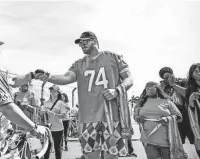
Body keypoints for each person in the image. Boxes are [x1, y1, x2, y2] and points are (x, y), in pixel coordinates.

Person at [35, 31, 133, 159]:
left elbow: (129, 79)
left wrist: (117, 90)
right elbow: (66, 77)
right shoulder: (78, 64)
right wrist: (48, 77)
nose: (82, 44)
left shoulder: (113, 57)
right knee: (90, 155)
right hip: (87, 118)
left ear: (95, 41)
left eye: (85, 41)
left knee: (111, 156)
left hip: (111, 117)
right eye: (80, 43)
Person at [134, 81, 187, 159]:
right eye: (147, 87)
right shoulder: (141, 102)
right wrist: (138, 118)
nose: (149, 89)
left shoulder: (167, 101)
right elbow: (135, 116)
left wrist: (167, 119)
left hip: (166, 139)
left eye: (152, 87)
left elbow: (178, 116)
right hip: (148, 138)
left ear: (158, 89)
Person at [169, 63, 200, 157]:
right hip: (196, 123)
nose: (199, 73)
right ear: (191, 74)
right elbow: (176, 87)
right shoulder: (189, 90)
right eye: (196, 71)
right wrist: (172, 83)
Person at [159, 67, 193, 144]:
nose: (168, 79)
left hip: (187, 114)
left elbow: (187, 94)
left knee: (194, 139)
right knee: (179, 141)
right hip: (176, 116)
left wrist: (174, 85)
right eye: (165, 78)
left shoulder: (183, 82)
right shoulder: (165, 87)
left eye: (169, 76)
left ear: (173, 74)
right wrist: (162, 90)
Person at [40, 85, 67, 159]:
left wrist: (54, 114)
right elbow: (41, 114)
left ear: (58, 93)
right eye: (51, 91)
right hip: (48, 128)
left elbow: (63, 116)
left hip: (58, 128)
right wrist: (41, 112)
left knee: (57, 147)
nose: (53, 92)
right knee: (47, 147)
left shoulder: (61, 103)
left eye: (55, 91)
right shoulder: (46, 103)